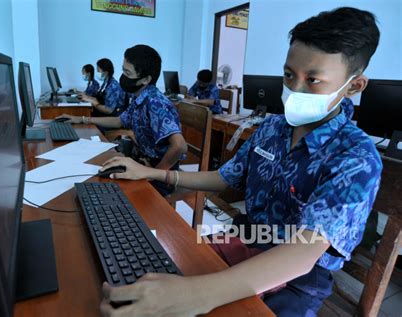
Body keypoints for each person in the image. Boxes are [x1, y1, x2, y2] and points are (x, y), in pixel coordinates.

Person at [97, 7, 382, 316]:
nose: (295, 89)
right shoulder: (274, 127)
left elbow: (303, 252)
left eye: (313, 80)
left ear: (354, 85)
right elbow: (226, 177)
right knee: (148, 266)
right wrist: (153, 173)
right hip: (246, 237)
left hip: (297, 275)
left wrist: (196, 295)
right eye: (289, 75)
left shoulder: (357, 158)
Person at [57, 45, 187, 196]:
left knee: (109, 194)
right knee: (100, 175)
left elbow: (179, 146)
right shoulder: (140, 97)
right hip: (144, 161)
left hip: (160, 173)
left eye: (127, 72)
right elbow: (119, 121)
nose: (123, 77)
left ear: (145, 79)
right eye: (122, 70)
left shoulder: (155, 103)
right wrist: (82, 119)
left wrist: (153, 173)